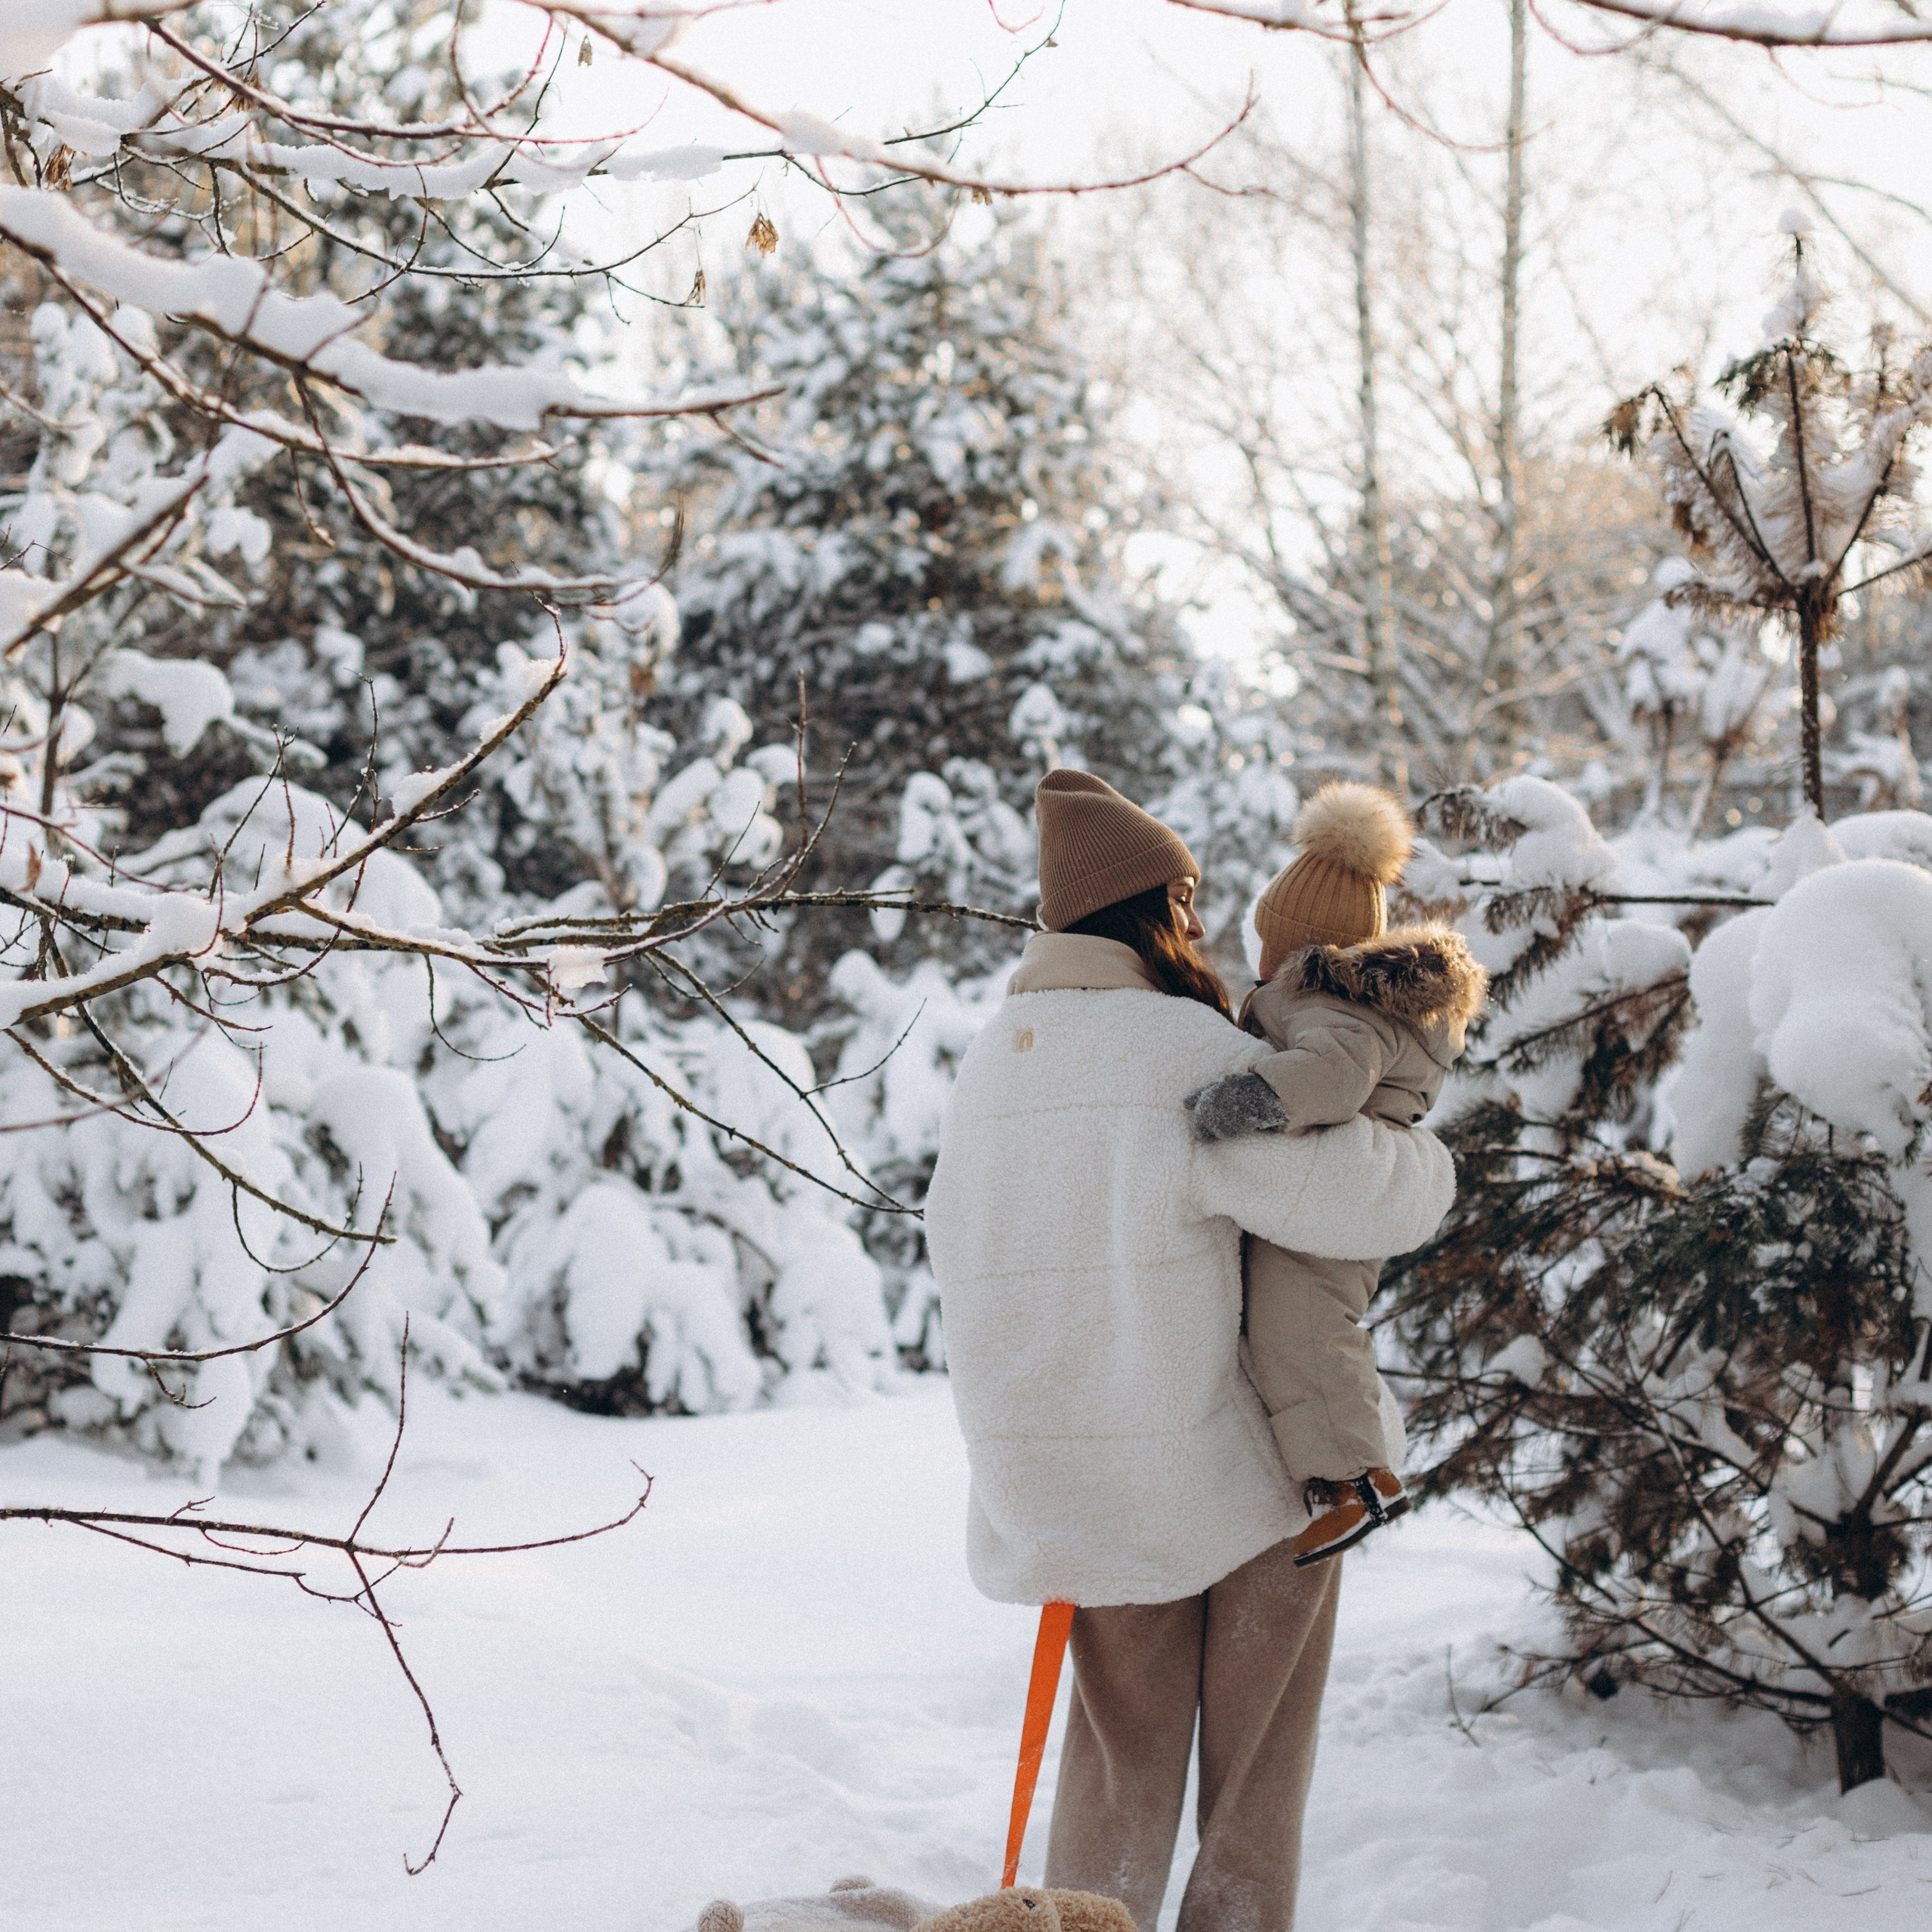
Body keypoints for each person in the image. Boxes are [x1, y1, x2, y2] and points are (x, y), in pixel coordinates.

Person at [924, 769, 1455, 1932]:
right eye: (1189, 894)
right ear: (1148, 907)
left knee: (1116, 1773)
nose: (1205, 923)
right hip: (1236, 1479)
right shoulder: (1177, 1049)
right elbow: (1353, 1206)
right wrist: (1432, 1160)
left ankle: (1077, 1925)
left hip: (1066, 1487)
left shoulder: (990, 1063)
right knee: (1252, 1778)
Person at [1184, 782, 1486, 1568]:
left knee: (1301, 1331)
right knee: (1307, 1330)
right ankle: (1342, 1477)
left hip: (1336, 1197)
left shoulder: (1326, 1002)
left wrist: (1239, 1100)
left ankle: (1353, 1481)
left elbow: (1330, 1077)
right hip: (1346, 1197)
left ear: (1291, 946)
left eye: (1263, 940)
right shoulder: (1355, 1001)